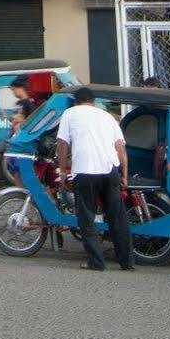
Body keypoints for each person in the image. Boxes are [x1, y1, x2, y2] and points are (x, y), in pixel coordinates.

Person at [55, 87, 133, 272]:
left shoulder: (69, 113)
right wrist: (124, 175)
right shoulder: (106, 116)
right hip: (110, 171)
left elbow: (62, 143)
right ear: (93, 101)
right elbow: (120, 147)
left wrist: (64, 170)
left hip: (85, 171)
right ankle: (127, 262)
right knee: (117, 217)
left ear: (76, 102)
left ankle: (97, 262)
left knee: (86, 218)